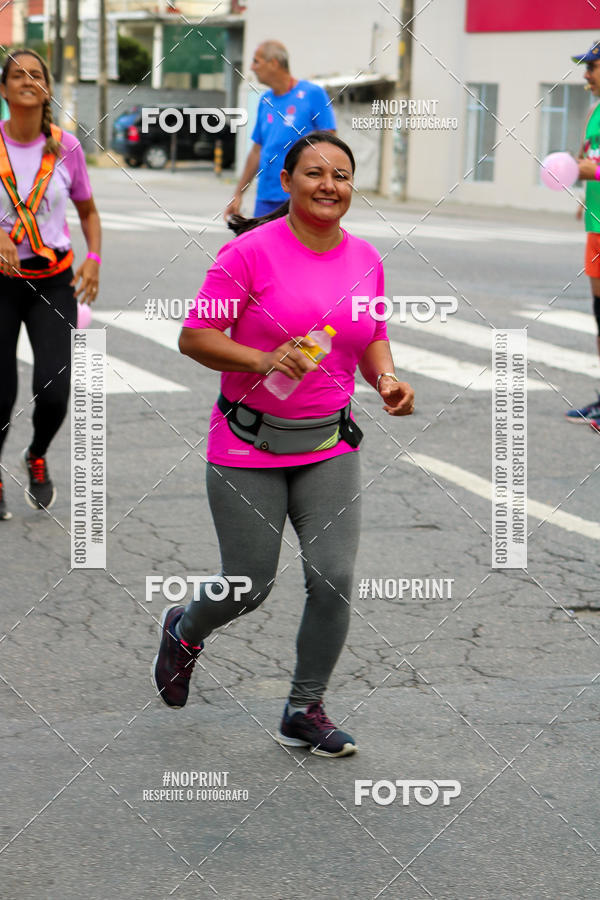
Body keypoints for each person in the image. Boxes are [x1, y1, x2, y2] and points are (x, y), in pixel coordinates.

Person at [153, 131, 415, 758]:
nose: (330, 185)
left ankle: (305, 707)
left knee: (334, 578)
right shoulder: (248, 255)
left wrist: (385, 378)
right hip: (248, 444)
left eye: (343, 175)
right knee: (249, 582)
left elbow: (370, 332)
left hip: (328, 443)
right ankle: (185, 629)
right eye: (315, 173)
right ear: (289, 182)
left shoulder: (366, 259)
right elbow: (195, 337)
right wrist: (263, 356)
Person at [0, 48, 101, 520]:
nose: (27, 80)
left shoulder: (67, 147)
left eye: (36, 74)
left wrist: (94, 258)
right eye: (16, 74)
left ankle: (36, 453)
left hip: (53, 283)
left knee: (55, 388)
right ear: (3, 89)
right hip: (0, 283)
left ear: (47, 88)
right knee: (0, 393)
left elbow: (87, 211)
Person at [223, 40, 335, 220]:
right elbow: (256, 151)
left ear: (274, 63)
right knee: (262, 246)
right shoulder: (265, 100)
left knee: (296, 248)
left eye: (256, 61)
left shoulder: (313, 94)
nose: (252, 67)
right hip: (266, 196)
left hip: (299, 196)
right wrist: (238, 193)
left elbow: (330, 144)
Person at [567, 39, 600, 431]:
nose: (586, 74)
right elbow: (586, 156)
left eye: (592, 66)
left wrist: (587, 171)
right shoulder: (594, 113)